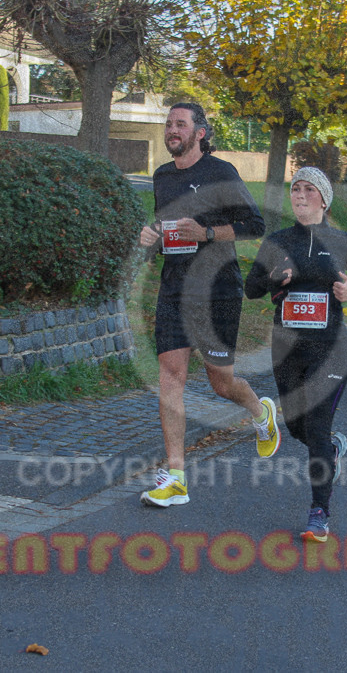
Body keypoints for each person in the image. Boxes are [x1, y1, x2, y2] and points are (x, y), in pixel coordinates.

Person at [137, 102, 280, 508]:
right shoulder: (162, 176)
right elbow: (165, 228)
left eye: (180, 124)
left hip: (217, 290)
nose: (172, 130)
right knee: (171, 373)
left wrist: (207, 232)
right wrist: (153, 236)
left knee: (221, 382)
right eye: (168, 124)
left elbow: (255, 224)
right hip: (175, 287)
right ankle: (176, 476)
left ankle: (259, 410)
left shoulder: (222, 173)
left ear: (200, 132)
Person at [245, 167, 347, 543]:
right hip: (287, 350)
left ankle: (320, 513)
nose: (299, 194)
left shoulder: (341, 241)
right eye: (295, 188)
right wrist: (274, 279)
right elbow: (251, 288)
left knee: (316, 429)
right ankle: (332, 449)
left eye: (307, 189)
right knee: (295, 427)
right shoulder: (278, 241)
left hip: (330, 350)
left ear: (323, 199)